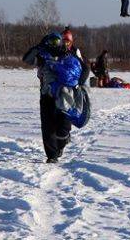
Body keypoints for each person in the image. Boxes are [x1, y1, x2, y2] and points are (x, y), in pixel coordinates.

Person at [32, 32, 90, 163]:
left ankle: (62, 141)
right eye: (64, 40)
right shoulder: (44, 53)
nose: (66, 42)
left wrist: (78, 84)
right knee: (47, 126)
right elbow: (28, 59)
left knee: (63, 126)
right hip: (47, 93)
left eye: (68, 40)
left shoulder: (73, 53)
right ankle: (52, 156)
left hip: (65, 94)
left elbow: (85, 68)